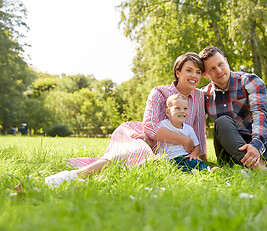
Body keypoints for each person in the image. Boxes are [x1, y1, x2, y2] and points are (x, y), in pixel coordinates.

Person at [45, 52, 207, 186]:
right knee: (131, 153)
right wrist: (184, 140)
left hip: (169, 150)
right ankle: (71, 176)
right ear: (178, 73)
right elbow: (150, 128)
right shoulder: (159, 92)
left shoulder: (199, 96)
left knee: (143, 168)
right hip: (142, 136)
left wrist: (203, 159)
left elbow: (199, 129)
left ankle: (96, 181)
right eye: (189, 70)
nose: (194, 76)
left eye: (198, 72)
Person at [199, 46, 267, 170]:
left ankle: (261, 165)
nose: (219, 70)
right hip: (229, 151)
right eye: (212, 68)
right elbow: (193, 124)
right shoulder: (203, 96)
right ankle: (257, 168)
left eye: (220, 64)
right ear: (205, 75)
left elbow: (260, 114)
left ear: (226, 61)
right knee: (222, 121)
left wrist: (256, 146)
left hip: (257, 145)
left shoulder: (249, 81)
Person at [158, 93, 217, 172]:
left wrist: (194, 154)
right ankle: (187, 171)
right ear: (168, 112)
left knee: (194, 162)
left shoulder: (188, 129)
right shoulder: (163, 125)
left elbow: (197, 146)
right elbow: (153, 135)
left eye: (185, 108)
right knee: (171, 167)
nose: (182, 111)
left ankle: (210, 170)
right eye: (177, 108)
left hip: (185, 156)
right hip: (168, 157)